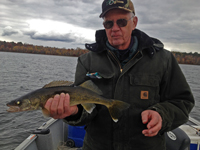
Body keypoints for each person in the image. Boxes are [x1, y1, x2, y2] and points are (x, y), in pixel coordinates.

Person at [45, 0, 195, 149]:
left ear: (134, 22)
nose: (114, 28)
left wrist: (162, 115)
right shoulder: (87, 61)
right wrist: (74, 113)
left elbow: (183, 102)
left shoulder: (163, 59)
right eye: (108, 23)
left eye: (122, 22)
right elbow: (87, 110)